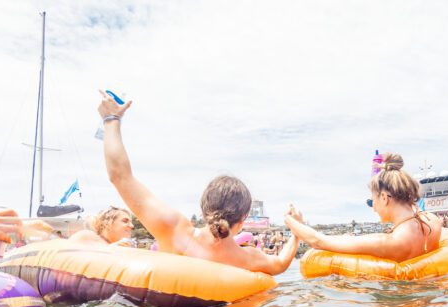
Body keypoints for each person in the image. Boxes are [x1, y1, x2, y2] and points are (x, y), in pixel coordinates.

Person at [96, 91, 299, 275]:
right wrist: (296, 230)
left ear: (204, 207)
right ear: (244, 217)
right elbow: (281, 263)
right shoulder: (250, 258)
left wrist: (111, 119)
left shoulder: (175, 230)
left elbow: (119, 176)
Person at [284, 153, 441, 261]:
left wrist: (290, 220)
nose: (373, 209)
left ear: (385, 198)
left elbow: (318, 242)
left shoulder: (390, 241)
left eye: (372, 202)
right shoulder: (433, 222)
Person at [70, 206, 135, 246]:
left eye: (131, 222)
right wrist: (112, 249)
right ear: (106, 223)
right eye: (125, 221)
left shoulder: (123, 250)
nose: (132, 226)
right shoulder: (85, 236)